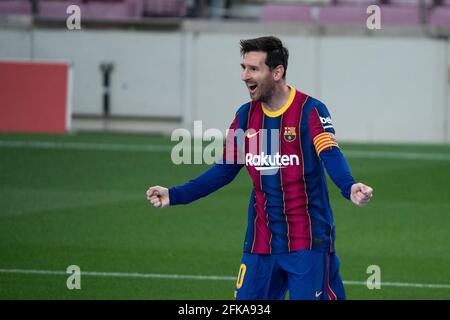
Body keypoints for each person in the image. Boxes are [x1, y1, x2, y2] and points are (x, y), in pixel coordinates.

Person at [147, 36, 373, 300]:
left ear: (277, 72)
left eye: (253, 69)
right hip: (260, 243)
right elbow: (224, 170)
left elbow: (330, 153)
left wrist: (349, 186)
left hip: (307, 241)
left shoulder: (310, 110)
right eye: (243, 67)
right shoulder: (245, 115)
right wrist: (174, 195)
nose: (245, 75)